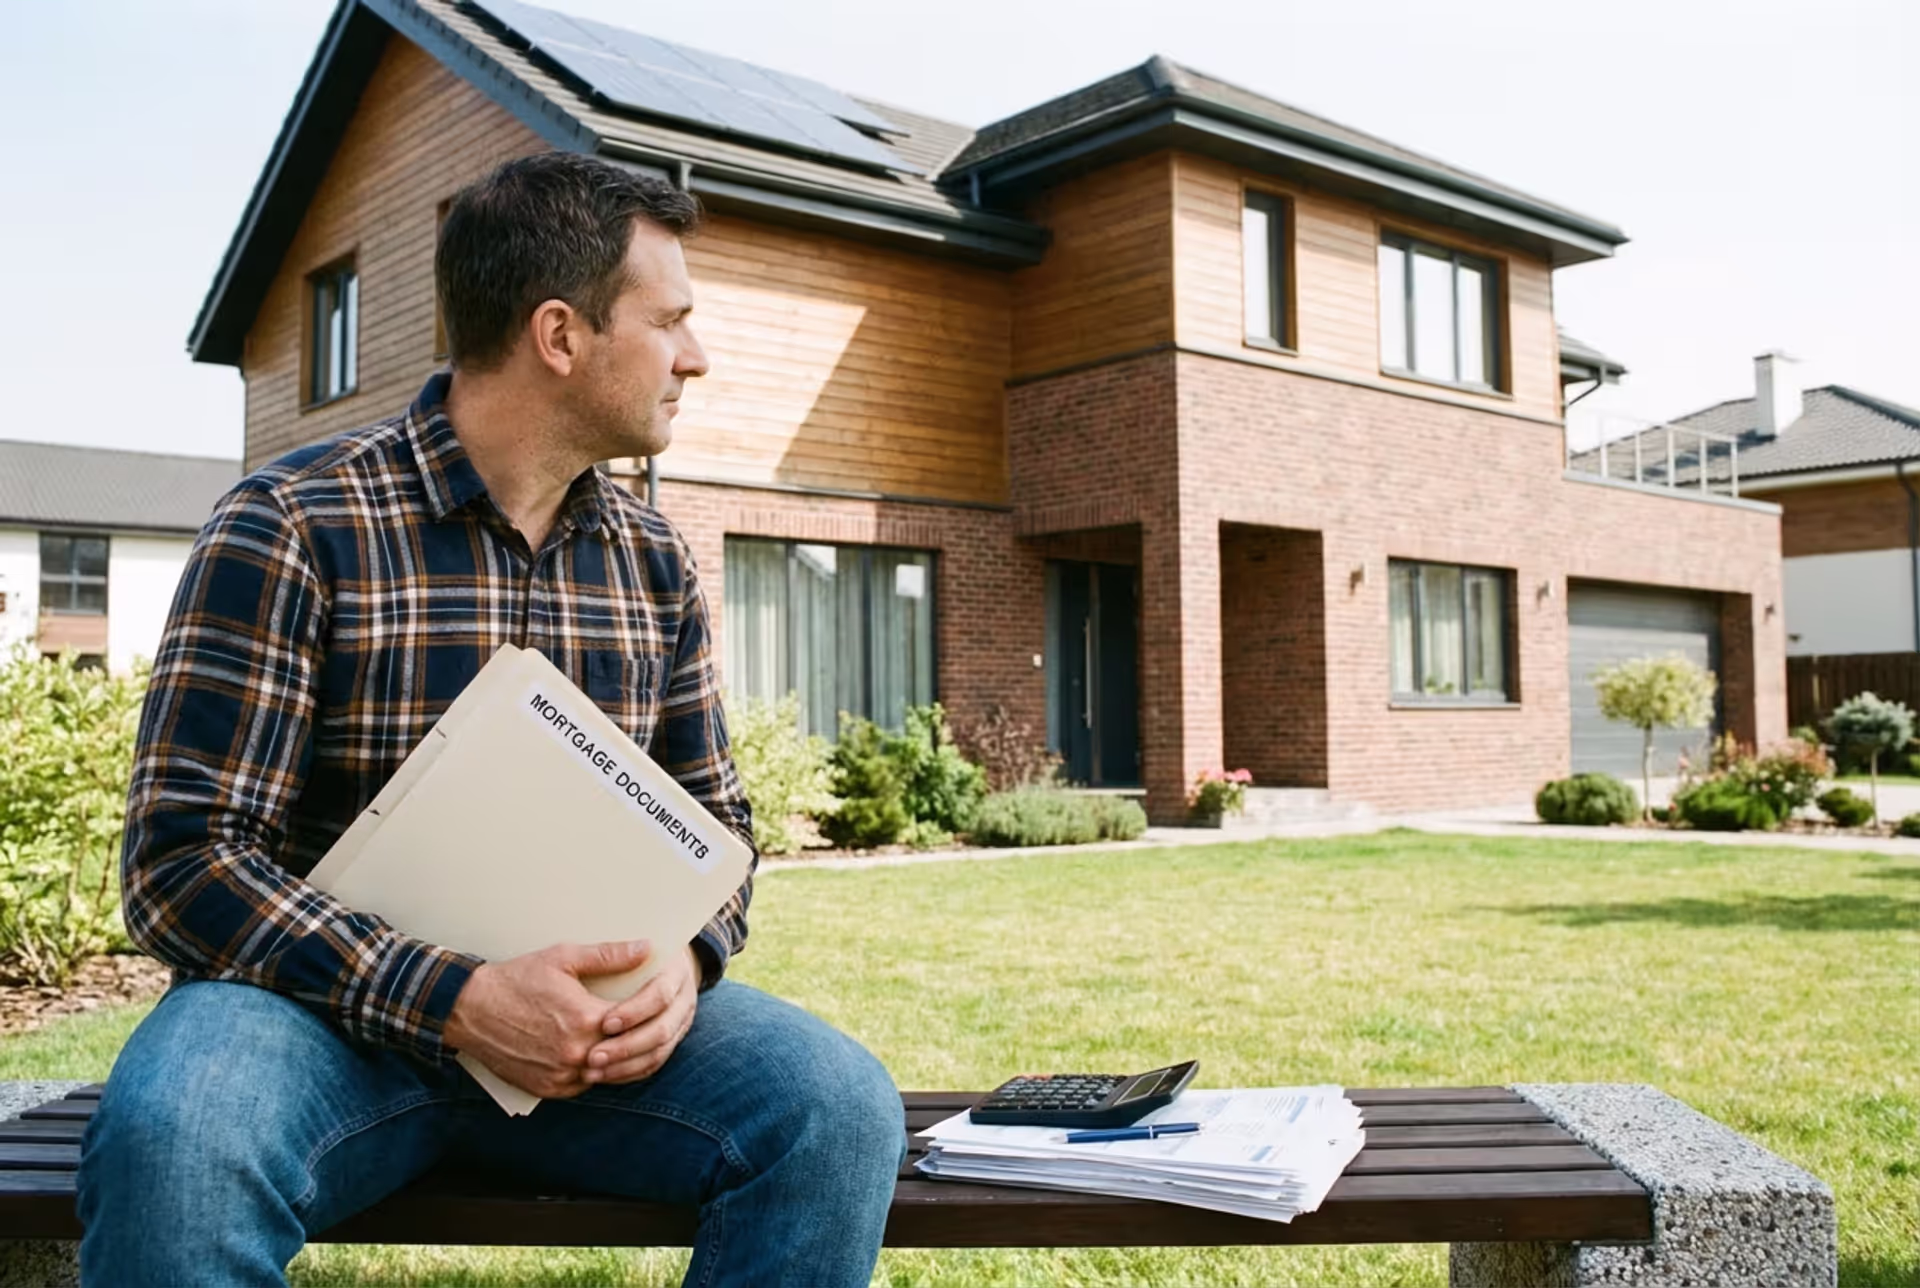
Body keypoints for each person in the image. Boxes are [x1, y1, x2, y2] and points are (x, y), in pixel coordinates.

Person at [76, 152, 905, 1288]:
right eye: (670, 322)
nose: (697, 357)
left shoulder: (654, 561)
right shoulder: (292, 523)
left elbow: (717, 831)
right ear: (559, 335)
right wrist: (459, 1000)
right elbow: (183, 865)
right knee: (178, 1140)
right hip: (311, 1027)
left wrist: (689, 955)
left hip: (591, 1039)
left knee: (836, 1108)